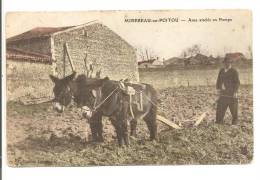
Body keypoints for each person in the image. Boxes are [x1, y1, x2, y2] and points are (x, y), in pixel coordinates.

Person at [216, 54, 240, 125]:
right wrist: (218, 89)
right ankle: (219, 122)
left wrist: (235, 92)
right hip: (223, 93)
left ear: (231, 63)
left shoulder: (234, 71)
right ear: (224, 63)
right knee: (220, 108)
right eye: (226, 62)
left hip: (231, 94)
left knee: (234, 109)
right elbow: (218, 80)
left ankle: (234, 123)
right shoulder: (221, 71)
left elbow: (237, 83)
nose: (227, 64)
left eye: (229, 62)